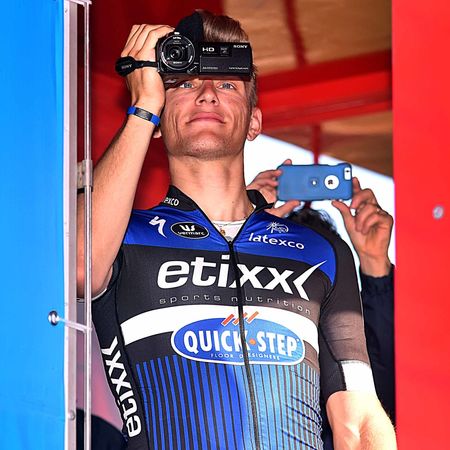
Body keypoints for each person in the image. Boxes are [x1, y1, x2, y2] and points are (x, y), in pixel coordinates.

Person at [77, 10, 396, 449]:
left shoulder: (319, 251)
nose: (207, 93)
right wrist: (142, 107)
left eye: (227, 84)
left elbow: (359, 422)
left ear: (254, 122)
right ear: (160, 117)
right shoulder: (125, 237)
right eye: (184, 84)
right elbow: (77, 267)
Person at [249, 166, 395, 447]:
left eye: (321, 270)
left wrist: (375, 262)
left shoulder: (351, 333)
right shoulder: (241, 325)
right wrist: (235, 239)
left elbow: (395, 387)